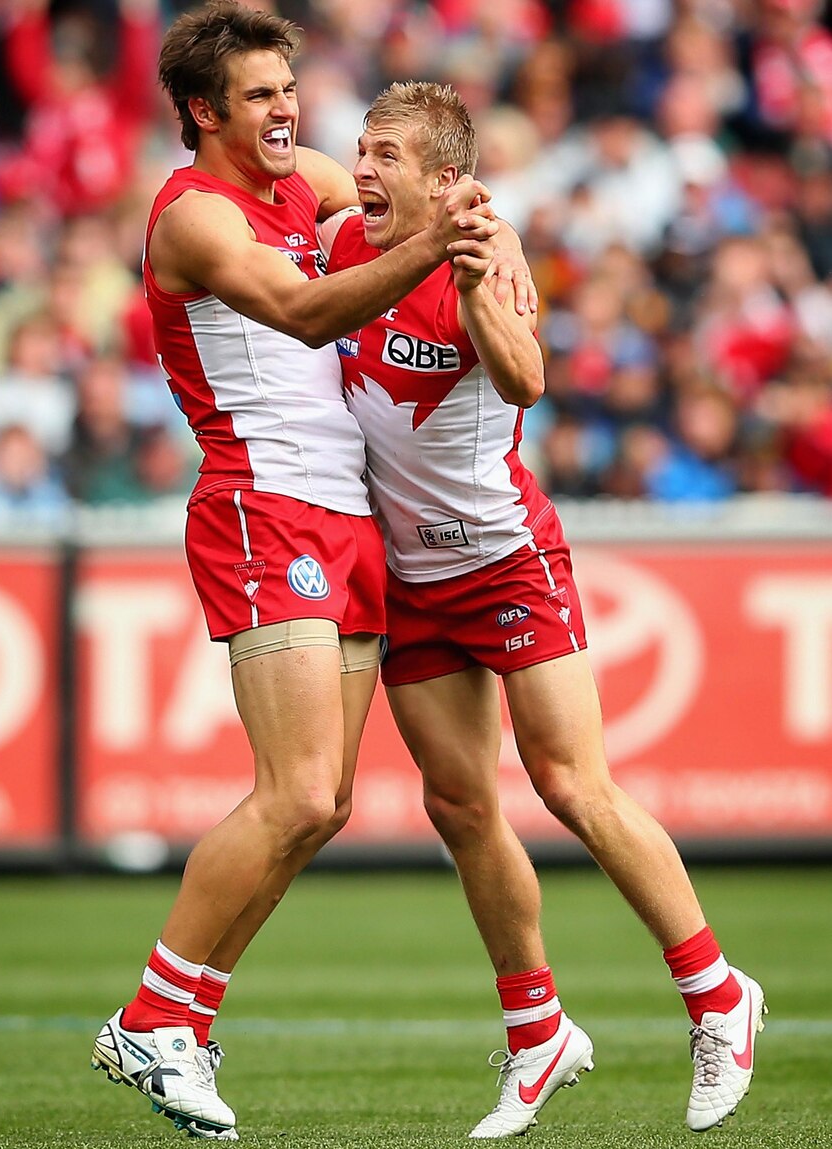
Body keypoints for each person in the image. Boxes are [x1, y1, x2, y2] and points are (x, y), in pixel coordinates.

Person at [321, 81, 766, 1139]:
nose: (364, 168)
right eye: (362, 150)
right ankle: (537, 1034)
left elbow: (524, 379)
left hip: (506, 562)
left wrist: (476, 277)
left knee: (573, 785)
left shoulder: (486, 256)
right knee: (460, 807)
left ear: (446, 181)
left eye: (386, 154)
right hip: (411, 580)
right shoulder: (344, 239)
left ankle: (716, 997)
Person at [88, 4, 498, 1141]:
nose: (287, 112)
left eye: (288, 88)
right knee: (295, 792)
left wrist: (470, 219)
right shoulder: (195, 219)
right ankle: (149, 1018)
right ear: (201, 114)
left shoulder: (303, 173)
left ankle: (182, 1021)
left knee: (323, 807)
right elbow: (308, 311)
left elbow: (402, 194)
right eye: (260, 96)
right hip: (261, 508)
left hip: (348, 516)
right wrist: (437, 244)